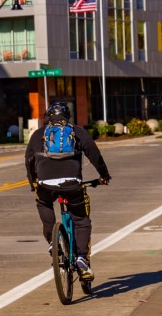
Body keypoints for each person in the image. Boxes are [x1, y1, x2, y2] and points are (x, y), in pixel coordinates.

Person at [25, 102, 111, 281]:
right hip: (72, 184)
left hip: (46, 185)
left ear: (48, 117)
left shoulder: (39, 134)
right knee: (81, 220)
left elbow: (29, 159)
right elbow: (94, 154)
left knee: (43, 202)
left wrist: (33, 181)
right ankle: (81, 258)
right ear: (67, 116)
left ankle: (52, 242)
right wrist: (104, 175)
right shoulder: (77, 131)